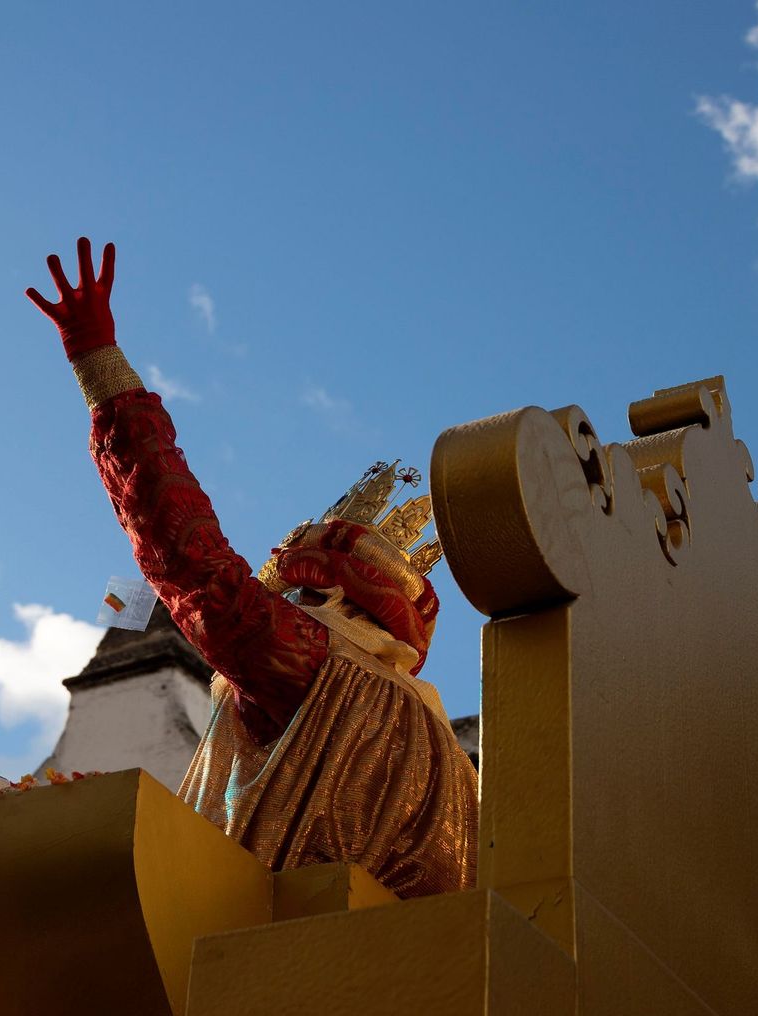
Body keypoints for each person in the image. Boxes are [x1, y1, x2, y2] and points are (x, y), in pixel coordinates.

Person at [27, 239, 478, 898]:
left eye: (290, 589)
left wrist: (98, 360)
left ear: (327, 597)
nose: (277, 602)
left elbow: (195, 564)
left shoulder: (319, 667)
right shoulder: (439, 747)